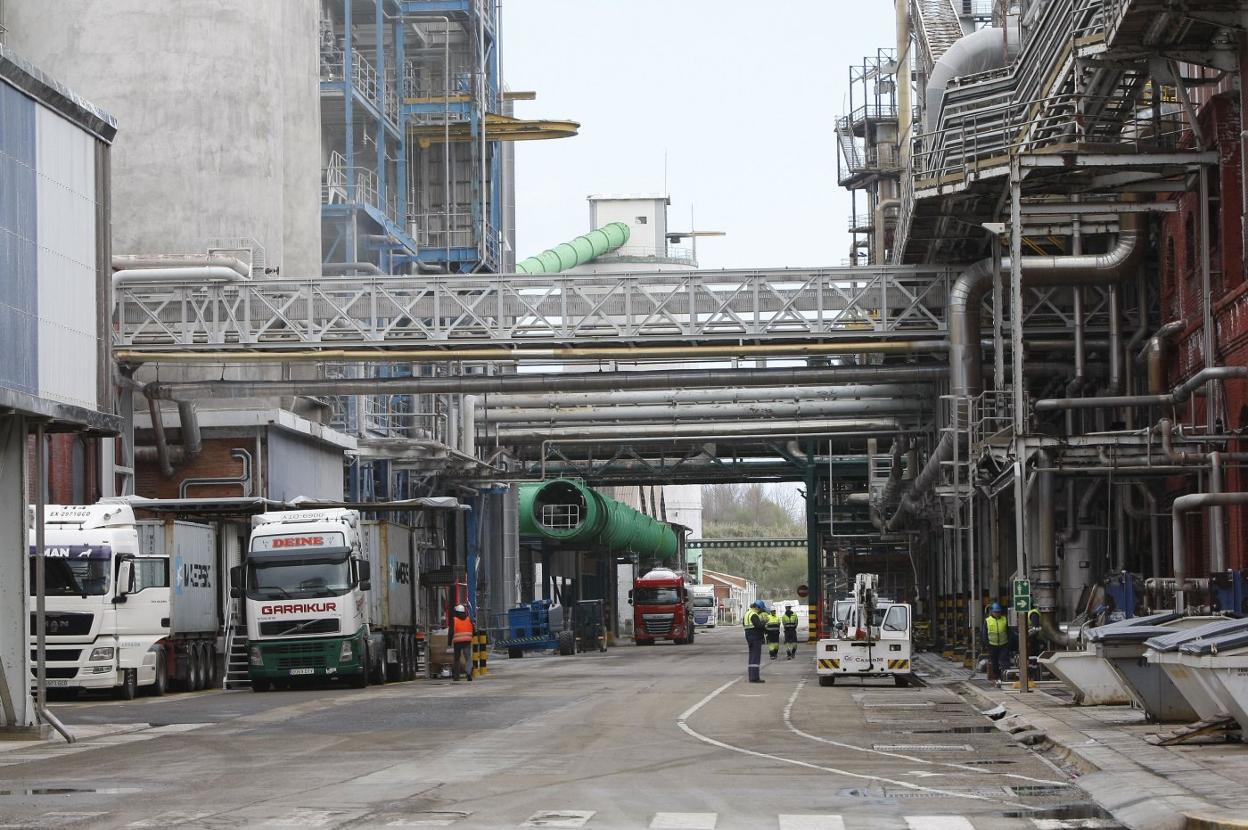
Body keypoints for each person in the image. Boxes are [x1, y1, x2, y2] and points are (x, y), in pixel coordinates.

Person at [984, 603, 1009, 686]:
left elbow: (1009, 632)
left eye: (998, 612)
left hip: (1003, 644)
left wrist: (1009, 642)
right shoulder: (987, 621)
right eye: (996, 612)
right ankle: (997, 677)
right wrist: (986, 644)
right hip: (992, 645)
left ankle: (1005, 677)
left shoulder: (1004, 619)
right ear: (992, 612)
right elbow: (984, 634)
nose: (997, 614)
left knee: (1004, 661)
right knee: (994, 663)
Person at [743, 599, 767, 683]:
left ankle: (752, 676)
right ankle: (754, 677)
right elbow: (759, 626)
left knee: (752, 657)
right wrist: (764, 622)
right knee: (755, 657)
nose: (761, 611)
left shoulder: (747, 613)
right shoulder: (753, 614)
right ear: (757, 607)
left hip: (749, 637)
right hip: (755, 637)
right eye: (760, 609)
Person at [450, 604, 474, 682]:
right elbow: (473, 630)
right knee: (468, 658)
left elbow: (451, 632)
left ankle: (457, 676)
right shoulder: (468, 619)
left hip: (457, 642)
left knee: (457, 659)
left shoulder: (454, 620)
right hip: (467, 641)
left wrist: (449, 642)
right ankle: (469, 673)